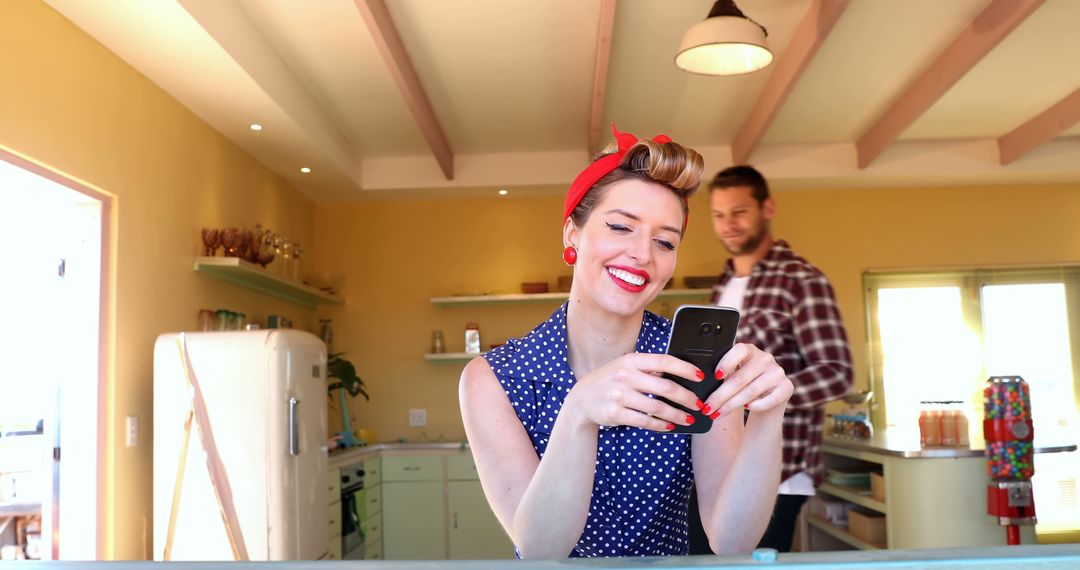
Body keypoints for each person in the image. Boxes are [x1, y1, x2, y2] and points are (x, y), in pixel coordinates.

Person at [458, 126, 795, 558]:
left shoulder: (695, 364)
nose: (642, 254)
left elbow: (732, 540)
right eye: (620, 227)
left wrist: (768, 416)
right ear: (572, 234)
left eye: (664, 241)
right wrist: (579, 410)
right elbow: (541, 549)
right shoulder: (492, 379)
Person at [690, 165, 853, 553]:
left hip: (780, 472)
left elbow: (836, 372)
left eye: (739, 212)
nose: (728, 224)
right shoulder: (724, 282)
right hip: (721, 469)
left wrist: (760, 396)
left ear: (767, 209)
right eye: (718, 215)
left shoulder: (801, 279)